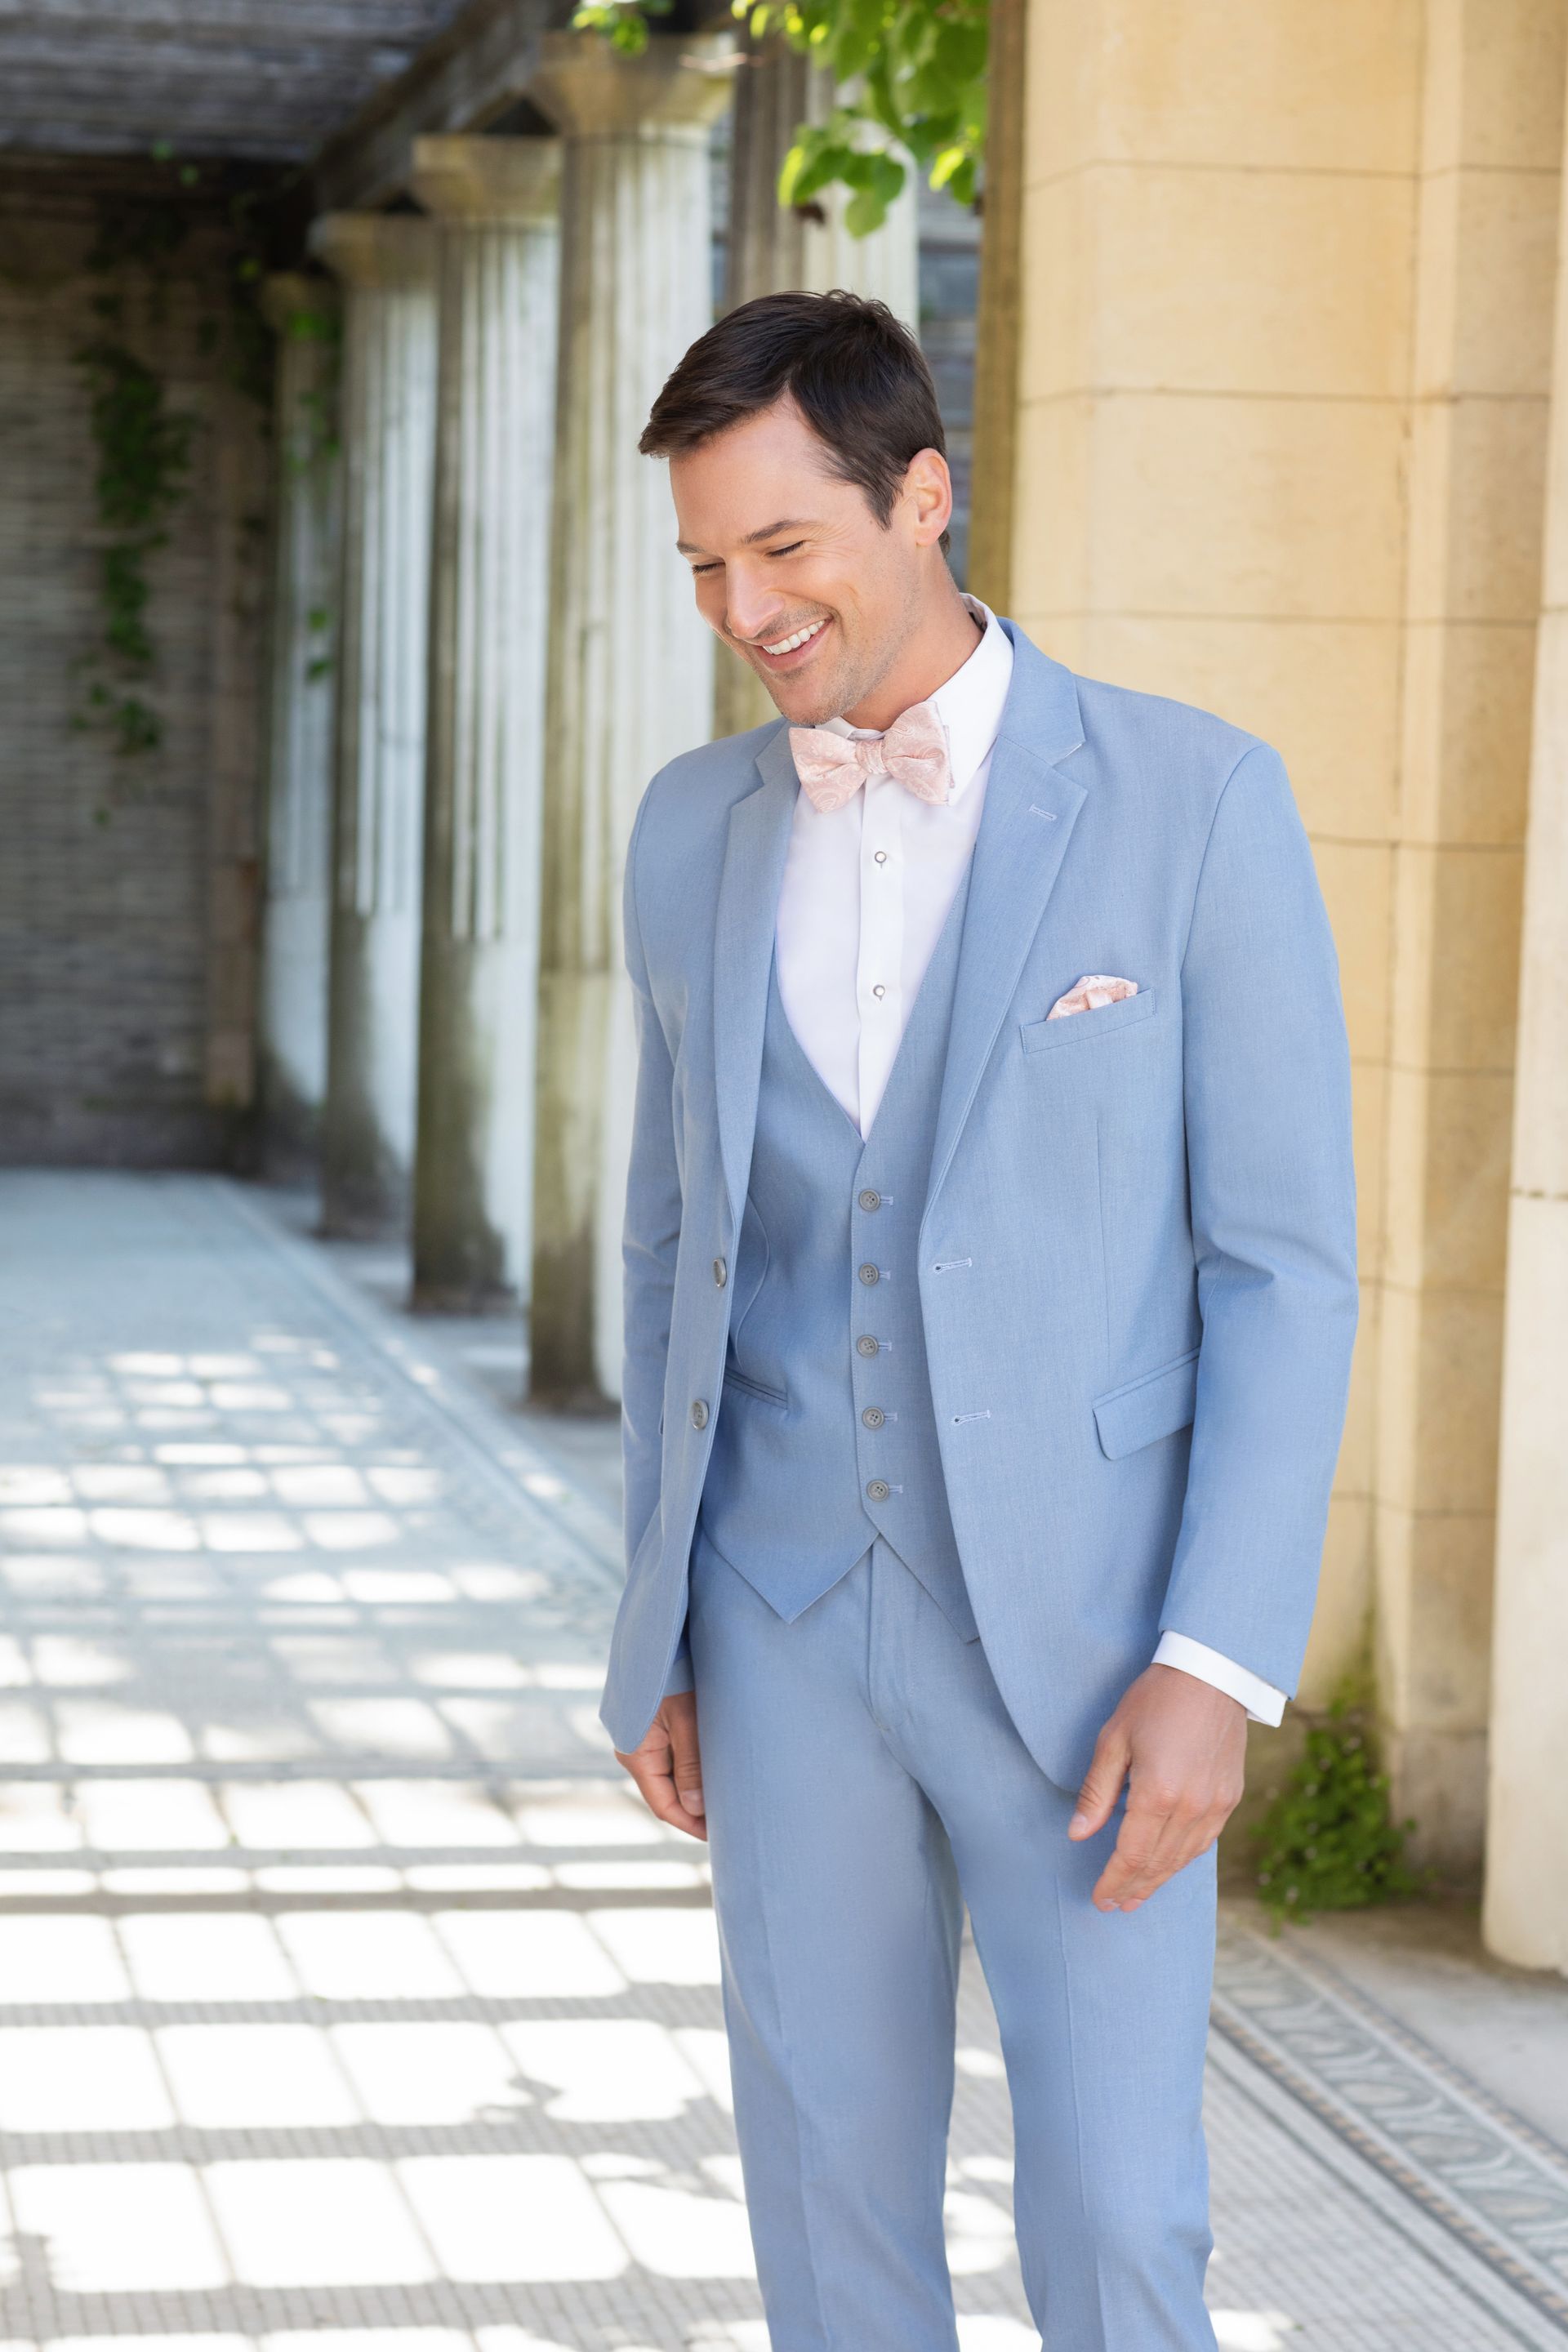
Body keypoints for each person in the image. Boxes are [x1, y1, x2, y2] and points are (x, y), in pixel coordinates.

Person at [601, 290, 1357, 2352]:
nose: (746, 611)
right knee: (830, 2214)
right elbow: (672, 1246)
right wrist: (661, 1619)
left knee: (1118, 2220)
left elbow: (1282, 1266)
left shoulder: (1193, 798)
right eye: (705, 566)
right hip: (774, 1615)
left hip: (1096, 1648)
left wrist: (1218, 1660)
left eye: (785, 547)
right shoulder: (690, 828)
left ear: (922, 496)